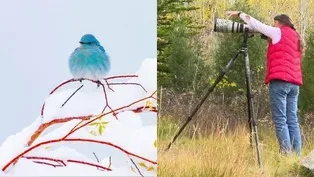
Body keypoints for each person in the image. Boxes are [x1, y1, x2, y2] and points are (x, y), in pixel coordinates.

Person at [226, 11, 303, 155]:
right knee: (292, 119)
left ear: (279, 22)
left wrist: (240, 14)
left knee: (280, 119)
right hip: (294, 84)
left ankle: (286, 154)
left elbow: (257, 24)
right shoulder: (295, 36)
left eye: (274, 23)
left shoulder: (277, 31)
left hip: (280, 82)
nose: (273, 25)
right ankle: (297, 155)